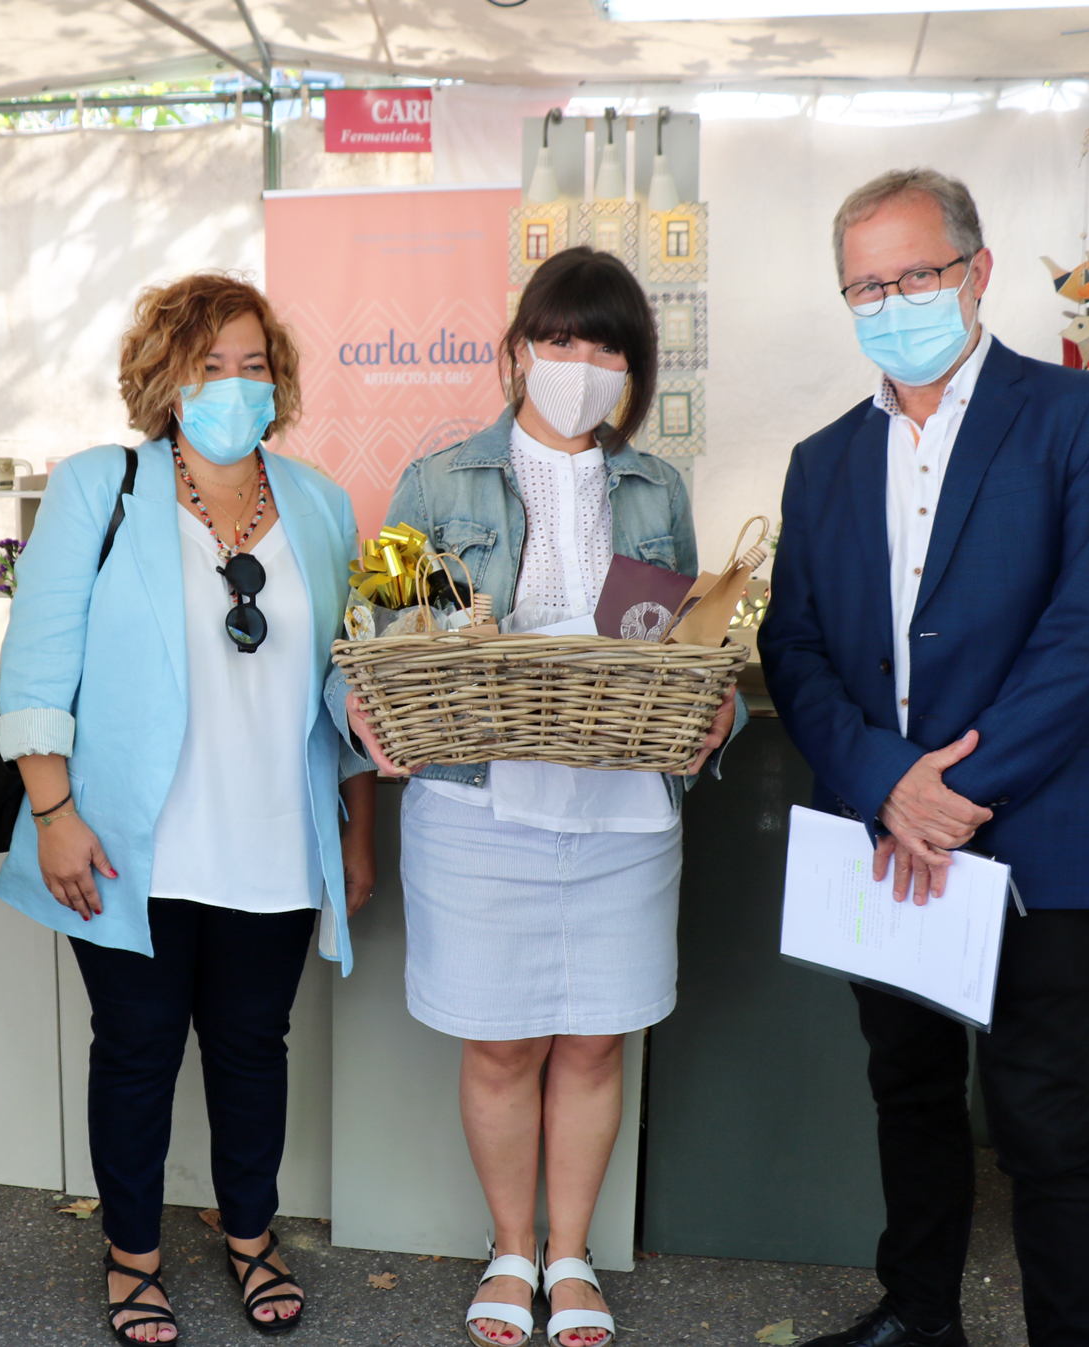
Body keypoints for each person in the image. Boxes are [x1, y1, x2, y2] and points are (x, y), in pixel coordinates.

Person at [758, 169, 1089, 1347]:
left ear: (974, 272)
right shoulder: (821, 460)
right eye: (864, 287)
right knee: (909, 1091)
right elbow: (793, 646)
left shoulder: (1082, 416)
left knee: (1039, 1118)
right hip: (884, 833)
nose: (891, 303)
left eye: (914, 275)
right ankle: (919, 1316)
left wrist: (952, 791)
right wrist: (887, 783)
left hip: (1032, 827)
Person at [345, 246, 740, 1347]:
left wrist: (719, 716)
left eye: (604, 346)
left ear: (633, 368)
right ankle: (510, 1250)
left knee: (597, 1042)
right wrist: (361, 717)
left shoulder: (656, 488)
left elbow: (690, 648)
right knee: (501, 1044)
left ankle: (570, 1256)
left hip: (624, 811)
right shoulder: (433, 482)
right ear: (518, 349)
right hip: (479, 806)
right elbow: (375, 638)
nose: (579, 363)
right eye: (559, 339)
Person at [0, 272, 376, 1343]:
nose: (233, 385)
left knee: (255, 1048)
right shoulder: (99, 487)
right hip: (126, 843)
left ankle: (250, 1235)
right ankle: (132, 1254)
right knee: (136, 1051)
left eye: (253, 365)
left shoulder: (318, 504)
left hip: (274, 839)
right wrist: (54, 813)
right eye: (209, 365)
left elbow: (348, 682)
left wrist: (357, 830)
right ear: (164, 376)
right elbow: (37, 664)